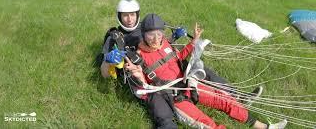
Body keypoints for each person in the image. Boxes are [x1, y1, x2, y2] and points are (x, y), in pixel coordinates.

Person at [123, 13, 288, 129]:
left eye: (159, 33)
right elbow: (145, 90)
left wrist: (193, 41)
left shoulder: (165, 44)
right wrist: (137, 75)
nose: (156, 38)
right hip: (176, 98)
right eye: (151, 35)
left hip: (189, 84)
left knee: (225, 100)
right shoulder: (138, 57)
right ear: (144, 35)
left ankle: (265, 127)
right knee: (207, 124)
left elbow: (178, 57)